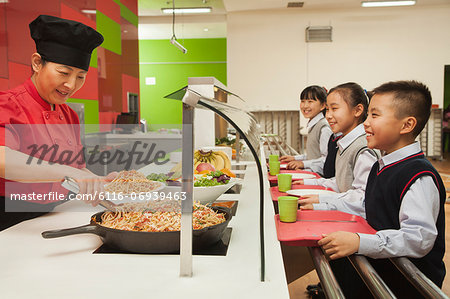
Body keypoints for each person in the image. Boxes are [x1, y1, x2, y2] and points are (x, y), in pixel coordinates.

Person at [317, 80, 446, 298]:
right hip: (383, 272)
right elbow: (369, 206)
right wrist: (322, 205)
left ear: (406, 125)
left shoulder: (418, 175)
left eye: (374, 116)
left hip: (408, 285)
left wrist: (360, 242)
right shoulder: (382, 165)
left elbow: (418, 238)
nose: (365, 123)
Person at [0, 15, 116, 231]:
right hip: (10, 221)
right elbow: (3, 159)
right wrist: (71, 173)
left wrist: (99, 181)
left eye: (81, 76)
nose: (71, 85)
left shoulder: (69, 115)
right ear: (37, 63)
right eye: (64, 73)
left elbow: (75, 168)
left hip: (55, 212)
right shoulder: (8, 104)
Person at [295, 83, 379, 216]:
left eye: (334, 109)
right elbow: (341, 182)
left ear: (357, 110)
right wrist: (310, 183)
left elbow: (363, 199)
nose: (328, 115)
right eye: (327, 109)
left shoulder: (363, 149)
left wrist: (323, 201)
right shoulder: (345, 143)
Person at [280, 85, 332, 176]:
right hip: (313, 173)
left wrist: (303, 164)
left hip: (319, 178)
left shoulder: (324, 128)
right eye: (303, 101)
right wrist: (295, 158)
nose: (305, 106)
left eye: (310, 101)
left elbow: (326, 160)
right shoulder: (314, 124)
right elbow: (313, 155)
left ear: (323, 105)